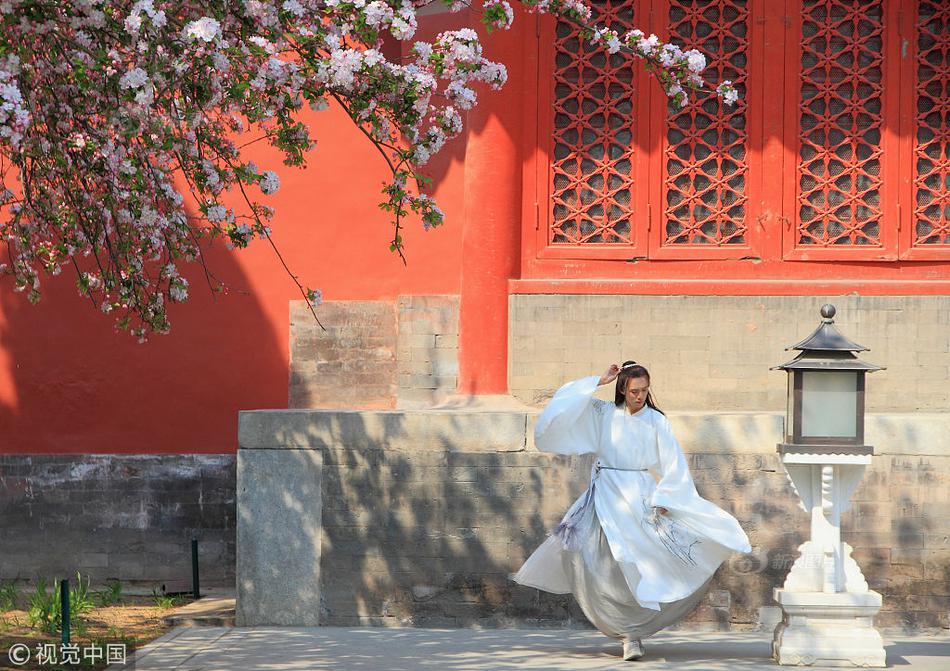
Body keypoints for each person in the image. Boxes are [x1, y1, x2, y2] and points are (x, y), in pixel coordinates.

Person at [512, 361, 751, 661]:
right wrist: (598, 381)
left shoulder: (656, 421)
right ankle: (622, 628)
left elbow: (673, 463)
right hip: (604, 494)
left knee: (642, 563)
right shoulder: (604, 414)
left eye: (644, 391)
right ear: (623, 389)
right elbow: (564, 406)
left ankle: (633, 633)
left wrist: (668, 497)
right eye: (634, 390)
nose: (640, 396)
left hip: (640, 495)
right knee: (596, 561)